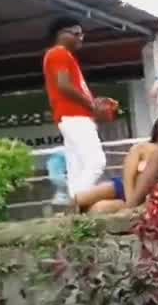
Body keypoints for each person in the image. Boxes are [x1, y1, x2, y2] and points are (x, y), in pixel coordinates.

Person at [42, 16, 116, 204]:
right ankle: (77, 202)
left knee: (77, 167)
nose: (80, 38)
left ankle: (76, 207)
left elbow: (69, 87)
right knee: (96, 162)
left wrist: (94, 103)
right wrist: (92, 106)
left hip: (70, 117)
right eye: (76, 33)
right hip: (74, 116)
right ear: (61, 34)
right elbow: (64, 85)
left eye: (82, 34)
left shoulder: (62, 55)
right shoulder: (59, 53)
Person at [77, 111, 158, 214]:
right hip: (124, 187)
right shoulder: (141, 148)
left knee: (98, 209)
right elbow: (128, 175)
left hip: (144, 199)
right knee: (80, 199)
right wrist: (131, 204)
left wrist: (133, 207)